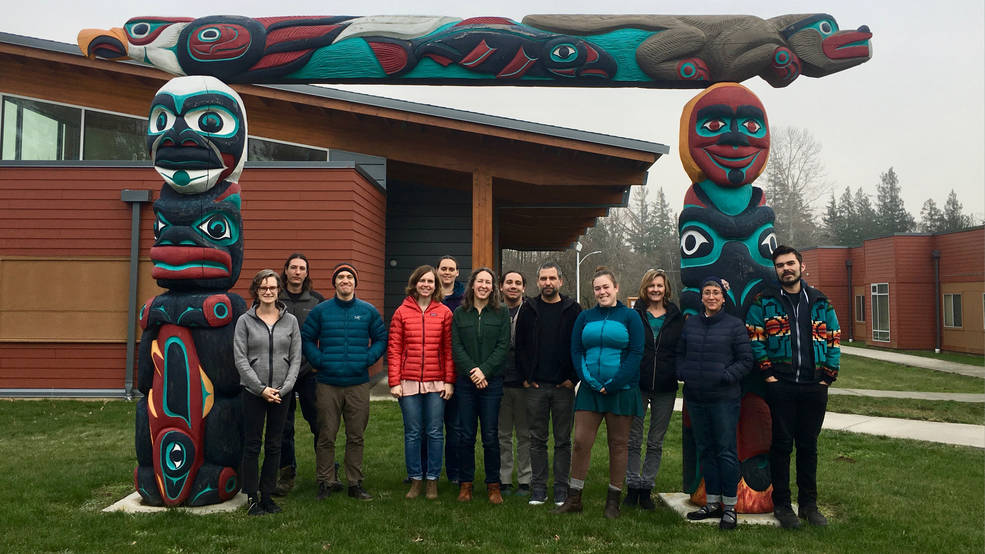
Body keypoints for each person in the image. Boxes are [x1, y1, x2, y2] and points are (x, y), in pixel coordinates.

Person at [745, 245, 841, 529]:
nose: (786, 269)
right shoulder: (764, 301)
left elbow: (834, 339)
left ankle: (809, 506)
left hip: (814, 385)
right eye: (780, 265)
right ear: (776, 270)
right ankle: (783, 505)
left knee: (808, 446)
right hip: (782, 384)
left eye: (790, 264)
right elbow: (755, 338)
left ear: (801, 266)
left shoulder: (820, 302)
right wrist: (769, 375)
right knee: (782, 445)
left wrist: (828, 376)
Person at [554, 267, 644, 519]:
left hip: (621, 391)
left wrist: (615, 382)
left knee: (618, 445)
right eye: (597, 288)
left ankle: (613, 501)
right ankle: (574, 499)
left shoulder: (631, 317)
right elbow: (576, 351)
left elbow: (636, 353)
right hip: (590, 391)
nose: (602, 292)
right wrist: (589, 379)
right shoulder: (585, 317)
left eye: (606, 287)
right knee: (581, 442)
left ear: (616, 287)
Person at [301, 263, 387, 501]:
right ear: (335, 283)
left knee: (356, 435)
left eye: (349, 277)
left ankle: (354, 483)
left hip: (358, 383)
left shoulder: (368, 311)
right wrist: (320, 360)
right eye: (340, 277)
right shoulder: (321, 311)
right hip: (327, 383)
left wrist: (367, 359)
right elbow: (307, 338)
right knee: (326, 434)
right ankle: (326, 481)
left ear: (355, 282)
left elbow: (381, 338)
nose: (345, 280)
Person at [676, 277, 752, 530]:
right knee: (706, 449)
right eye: (707, 292)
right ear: (702, 297)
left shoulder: (734, 325)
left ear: (722, 297)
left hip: (724, 399)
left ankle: (729, 507)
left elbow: (745, 360)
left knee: (726, 451)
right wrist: (683, 372)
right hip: (697, 398)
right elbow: (681, 353)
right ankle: (711, 502)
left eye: (715, 293)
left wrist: (725, 376)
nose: (711, 297)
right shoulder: (692, 324)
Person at [233, 269, 301, 515]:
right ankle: (252, 496)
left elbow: (295, 358)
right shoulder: (245, 321)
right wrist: (260, 389)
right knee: (252, 444)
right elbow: (240, 359)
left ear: (278, 290)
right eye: (263, 288)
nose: (268, 292)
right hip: (253, 393)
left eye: (272, 287)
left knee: (275, 445)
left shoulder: (290, 321)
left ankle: (268, 495)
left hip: (281, 393)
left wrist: (286, 387)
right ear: (256, 291)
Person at [515, 262, 582, 507]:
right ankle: (539, 489)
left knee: (563, 441)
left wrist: (573, 378)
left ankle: (561, 490)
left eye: (552, 278)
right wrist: (525, 376)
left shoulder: (573, 309)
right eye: (543, 278)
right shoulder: (528, 308)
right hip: (536, 387)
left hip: (562, 387)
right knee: (537, 440)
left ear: (560, 281)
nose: (547, 283)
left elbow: (580, 344)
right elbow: (519, 345)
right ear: (538, 281)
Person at [388, 265, 455, 500]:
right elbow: (395, 348)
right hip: (408, 382)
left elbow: (449, 350)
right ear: (414, 283)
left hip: (437, 383)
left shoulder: (445, 312)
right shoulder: (401, 312)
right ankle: (415, 478)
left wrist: (449, 381)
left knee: (436, 432)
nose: (426, 285)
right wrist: (394, 382)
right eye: (422, 281)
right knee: (413, 432)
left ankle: (432, 481)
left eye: (430, 281)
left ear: (436, 286)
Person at [624, 269, 684, 511]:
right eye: (651, 286)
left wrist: (677, 371)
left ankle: (646, 488)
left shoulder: (675, 316)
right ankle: (632, 486)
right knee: (633, 440)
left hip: (666, 387)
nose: (656, 290)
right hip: (638, 384)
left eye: (659, 285)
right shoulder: (635, 315)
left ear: (665, 288)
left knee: (655, 442)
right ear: (645, 288)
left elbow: (682, 348)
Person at [452, 267, 511, 504]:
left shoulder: (501, 313)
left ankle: (493, 485)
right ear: (472, 285)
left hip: (492, 383)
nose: (484, 286)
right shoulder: (460, 313)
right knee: (465, 436)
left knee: (490, 436)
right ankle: (466, 484)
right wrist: (473, 372)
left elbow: (502, 346)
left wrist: (484, 370)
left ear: (493, 287)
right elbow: (456, 347)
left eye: (488, 282)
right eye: (480, 281)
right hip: (466, 384)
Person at [274, 253, 325, 496]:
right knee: (283, 426)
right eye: (292, 267)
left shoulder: (316, 301)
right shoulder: (274, 297)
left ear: (307, 273)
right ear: (285, 271)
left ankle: (326, 472)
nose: (297, 272)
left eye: (301, 268)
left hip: (308, 372)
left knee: (318, 422)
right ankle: (286, 473)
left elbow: (326, 334)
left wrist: (317, 363)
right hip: (280, 373)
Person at [497, 270, 531, 496]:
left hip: (524, 383)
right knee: (503, 434)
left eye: (517, 283)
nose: (513, 286)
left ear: (523, 288)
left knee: (526, 434)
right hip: (499, 382)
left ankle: (526, 479)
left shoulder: (530, 311)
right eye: (509, 282)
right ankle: (504, 479)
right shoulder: (494, 312)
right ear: (501, 287)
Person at [435, 255, 465, 486]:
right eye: (443, 268)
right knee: (427, 425)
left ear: (457, 273)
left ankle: (454, 472)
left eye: (451, 269)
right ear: (437, 271)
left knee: (454, 426)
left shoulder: (465, 299)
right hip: (429, 369)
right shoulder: (425, 294)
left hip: (457, 370)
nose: (447, 272)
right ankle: (423, 470)